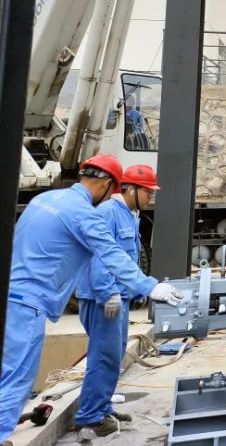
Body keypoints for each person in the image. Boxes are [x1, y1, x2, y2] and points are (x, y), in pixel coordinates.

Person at [0, 155, 182, 443]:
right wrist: (150, 287)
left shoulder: (44, 199)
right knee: (17, 379)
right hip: (29, 302)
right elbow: (110, 255)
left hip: (12, 294)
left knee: (8, 372)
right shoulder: (84, 213)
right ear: (107, 184)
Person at [74, 164, 159, 436]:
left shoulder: (130, 215)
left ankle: (103, 407)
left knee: (113, 356)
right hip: (103, 300)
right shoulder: (108, 213)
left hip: (117, 298)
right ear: (130, 189)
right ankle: (90, 417)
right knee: (103, 357)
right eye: (147, 192)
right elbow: (99, 257)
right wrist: (107, 293)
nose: (151, 198)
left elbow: (127, 259)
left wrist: (133, 293)